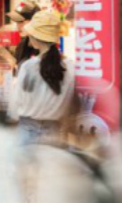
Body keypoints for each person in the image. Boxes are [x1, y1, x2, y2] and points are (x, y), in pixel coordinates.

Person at [8, 10, 76, 147]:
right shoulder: (71, 67)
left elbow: (14, 107)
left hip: (27, 133)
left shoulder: (28, 66)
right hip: (55, 134)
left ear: (36, 37)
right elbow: (69, 106)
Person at [6, 0, 41, 67]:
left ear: (34, 21)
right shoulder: (22, 44)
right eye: (17, 22)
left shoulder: (43, 47)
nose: (18, 26)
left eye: (21, 22)